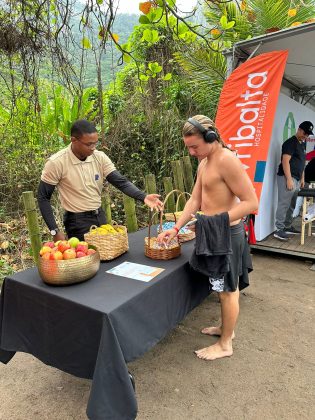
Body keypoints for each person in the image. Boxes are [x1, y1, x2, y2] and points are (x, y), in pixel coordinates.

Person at [157, 115, 258, 361]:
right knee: (220, 287)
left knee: (227, 291)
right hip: (214, 233)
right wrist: (177, 227)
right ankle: (226, 329)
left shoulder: (227, 161)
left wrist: (218, 220)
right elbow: (195, 200)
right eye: (188, 147)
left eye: (195, 146)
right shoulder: (205, 162)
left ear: (211, 137)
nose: (191, 152)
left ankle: (226, 344)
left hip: (227, 234)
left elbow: (251, 202)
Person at [38, 119, 163, 242]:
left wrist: (144, 197)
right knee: (88, 259)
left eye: (95, 143)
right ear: (74, 140)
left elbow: (121, 182)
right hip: (77, 222)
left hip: (100, 216)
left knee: (108, 257)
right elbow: (43, 197)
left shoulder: (99, 157)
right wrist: (54, 230)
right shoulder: (56, 162)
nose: (93, 148)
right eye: (88, 144)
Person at [274, 120, 313, 240]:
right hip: (286, 178)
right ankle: (279, 229)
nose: (306, 136)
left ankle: (287, 225)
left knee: (292, 204)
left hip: (296, 179)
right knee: (284, 204)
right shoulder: (290, 143)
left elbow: (301, 163)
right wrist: (289, 179)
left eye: (308, 134)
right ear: (299, 130)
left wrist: (302, 178)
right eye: (305, 133)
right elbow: (285, 161)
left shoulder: (302, 144)